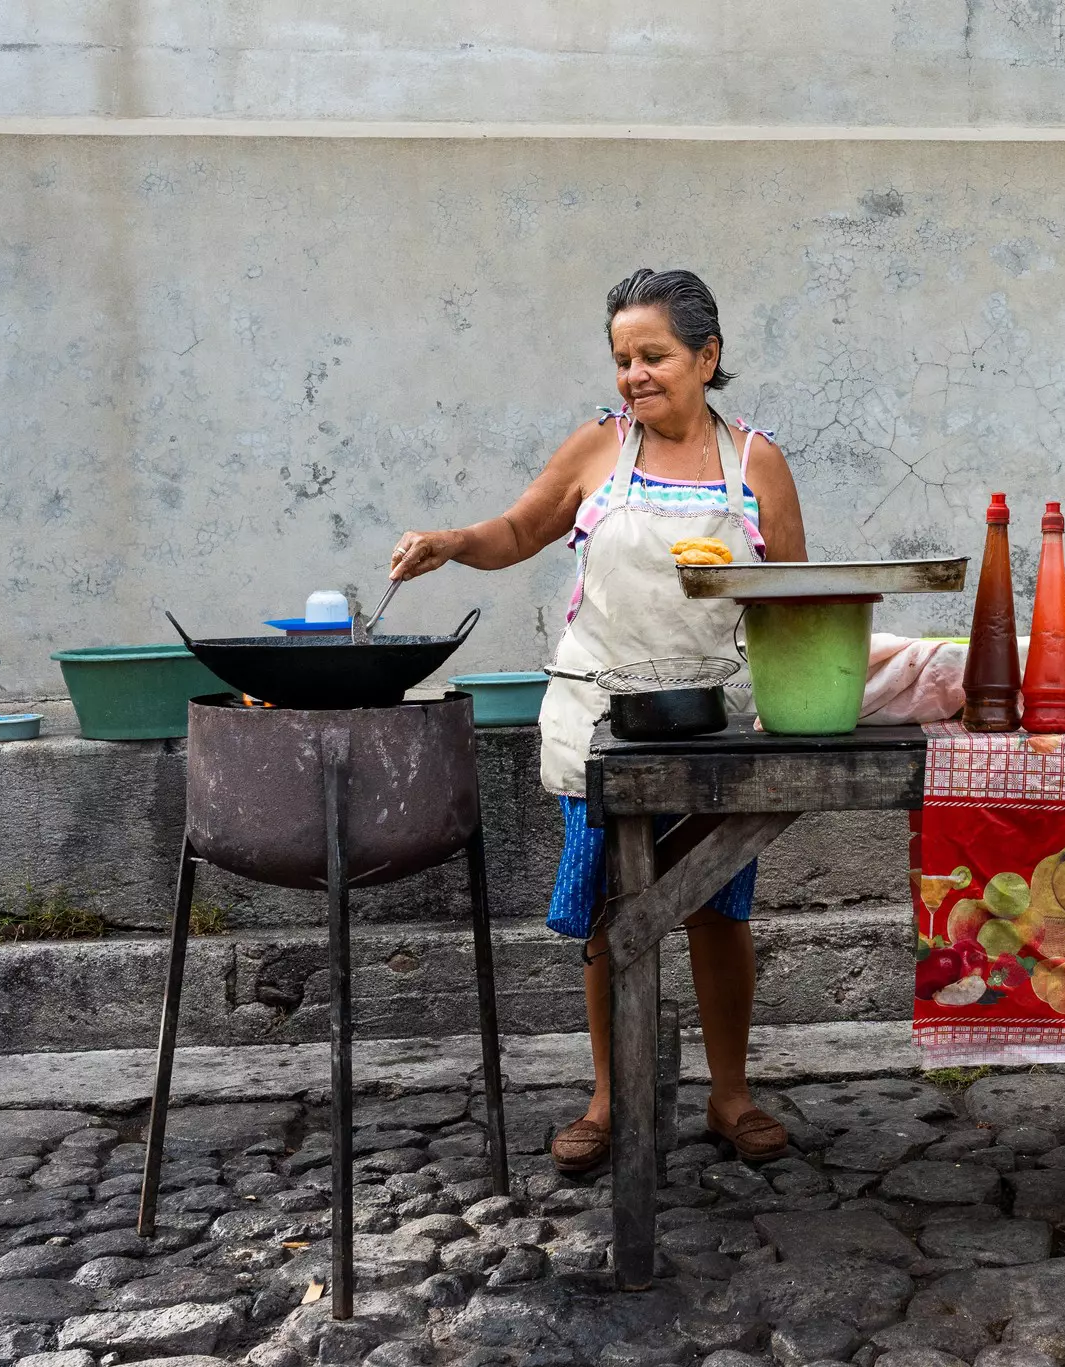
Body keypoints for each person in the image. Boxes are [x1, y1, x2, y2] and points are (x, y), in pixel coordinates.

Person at [388, 268, 806, 1174]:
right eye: (623, 359)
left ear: (707, 357)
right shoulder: (599, 450)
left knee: (716, 908)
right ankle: (612, 1096)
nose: (635, 375)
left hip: (716, 721)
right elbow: (519, 530)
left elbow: (790, 605)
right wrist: (455, 543)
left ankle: (730, 1094)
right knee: (615, 908)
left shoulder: (756, 464)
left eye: (653, 355)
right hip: (602, 718)